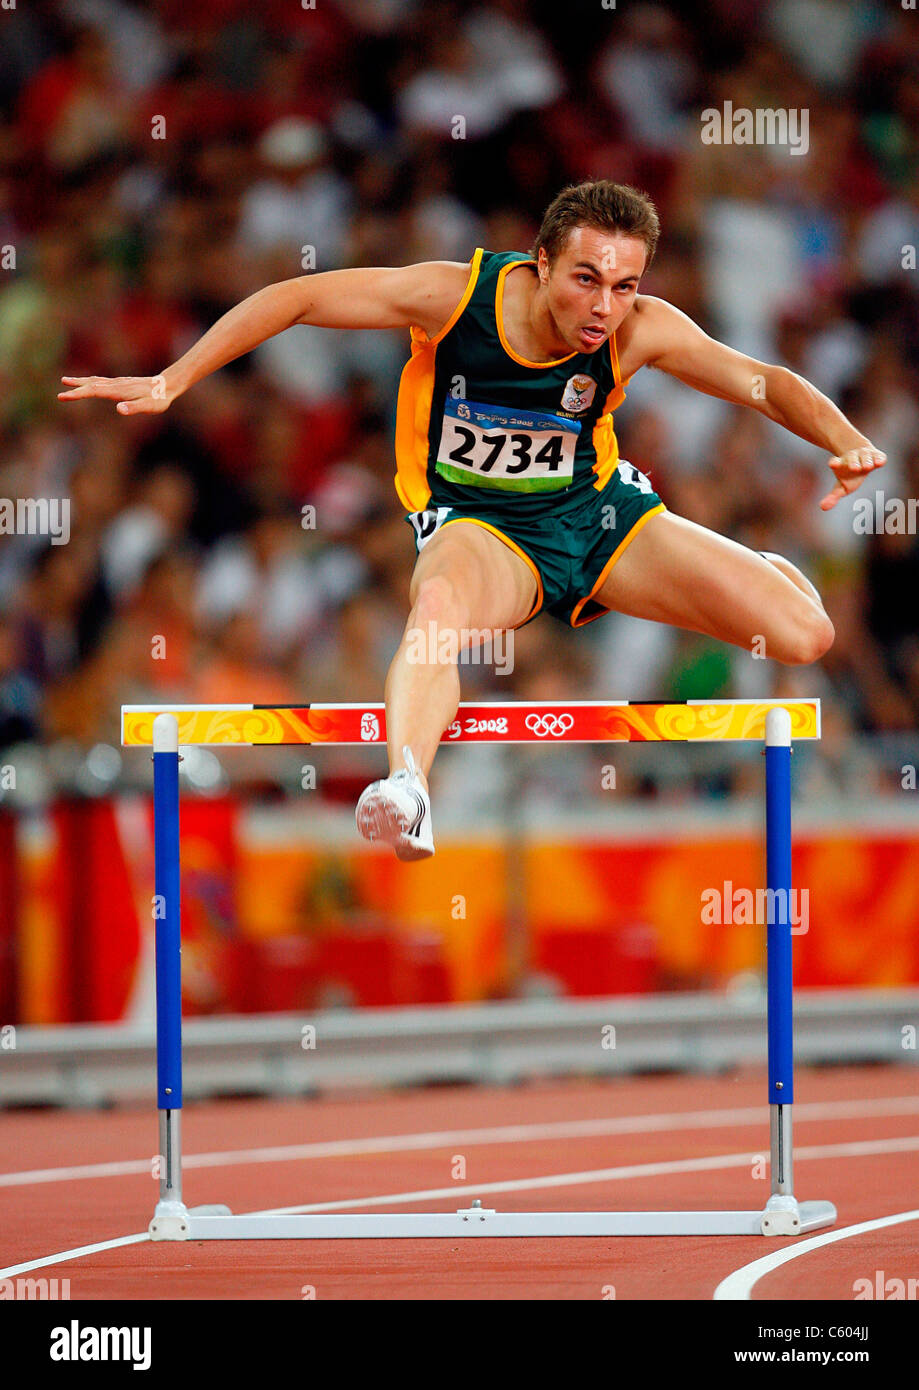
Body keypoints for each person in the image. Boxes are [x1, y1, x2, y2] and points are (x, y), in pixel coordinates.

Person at [59, 180, 886, 861]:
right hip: (482, 528)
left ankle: (770, 573)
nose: (604, 306)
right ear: (538, 264)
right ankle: (409, 789)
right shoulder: (454, 298)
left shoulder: (639, 330)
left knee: (804, 637)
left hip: (600, 516)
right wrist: (175, 377)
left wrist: (842, 438)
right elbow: (301, 296)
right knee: (439, 610)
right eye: (585, 280)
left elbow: (762, 381)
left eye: (624, 285)